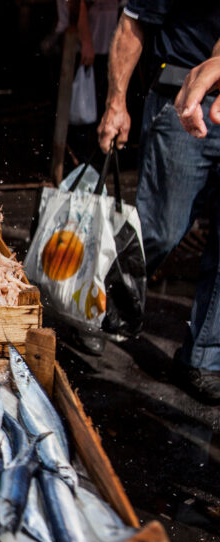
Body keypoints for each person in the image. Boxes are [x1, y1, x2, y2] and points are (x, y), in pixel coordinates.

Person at [96, 3, 220, 403]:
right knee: (159, 230)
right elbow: (132, 25)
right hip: (181, 96)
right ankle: (94, 302)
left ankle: (203, 358)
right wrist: (116, 104)